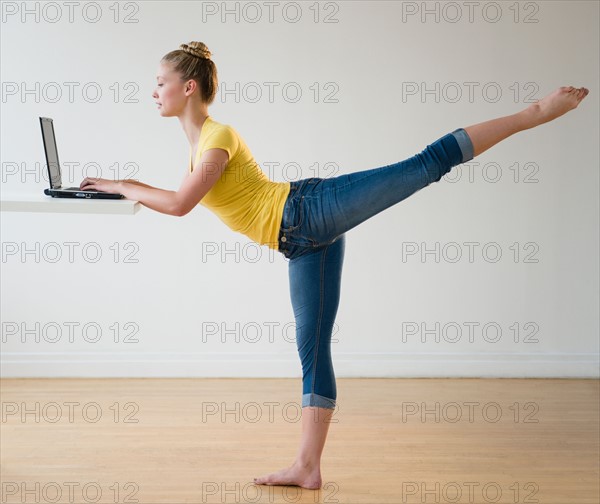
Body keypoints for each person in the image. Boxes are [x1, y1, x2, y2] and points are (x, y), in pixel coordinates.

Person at [80, 41, 589, 490]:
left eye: (160, 82)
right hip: (302, 242)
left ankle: (535, 113)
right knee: (312, 346)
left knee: (426, 164)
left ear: (187, 87)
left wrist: (125, 186)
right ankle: (307, 467)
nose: (154, 91)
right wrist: (119, 182)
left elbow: (181, 205)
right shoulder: (197, 144)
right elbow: (172, 195)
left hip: (309, 210)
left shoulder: (218, 136)